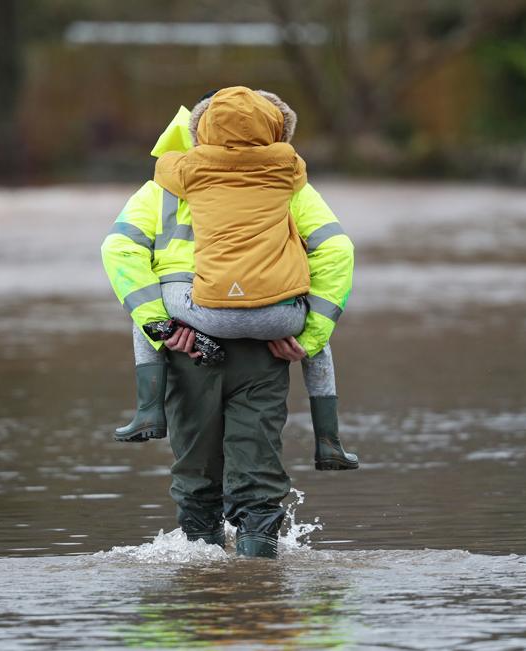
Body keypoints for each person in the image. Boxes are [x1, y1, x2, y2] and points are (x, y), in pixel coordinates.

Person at [100, 93, 355, 557]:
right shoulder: (290, 183)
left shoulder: (165, 185)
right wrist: (311, 332)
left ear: (200, 133)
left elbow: (120, 250)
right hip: (268, 343)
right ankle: (260, 574)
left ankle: (204, 580)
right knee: (258, 468)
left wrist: (158, 323)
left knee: (196, 471)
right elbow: (336, 252)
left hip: (186, 343)